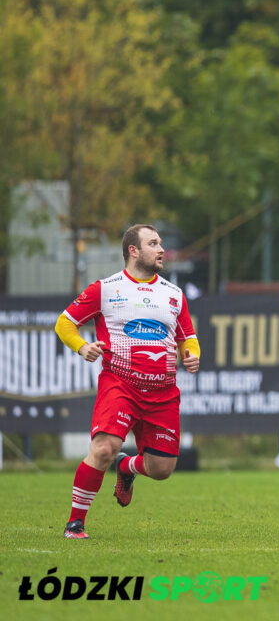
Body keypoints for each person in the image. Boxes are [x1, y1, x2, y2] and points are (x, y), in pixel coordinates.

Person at [55, 224, 201, 539]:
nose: (161, 249)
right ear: (133, 250)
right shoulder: (105, 289)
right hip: (120, 385)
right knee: (105, 448)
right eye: (153, 243)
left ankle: (127, 468)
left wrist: (190, 354)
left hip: (163, 393)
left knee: (162, 470)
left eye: (161, 243)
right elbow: (65, 323)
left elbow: (188, 337)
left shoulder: (173, 294)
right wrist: (83, 346)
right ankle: (75, 523)